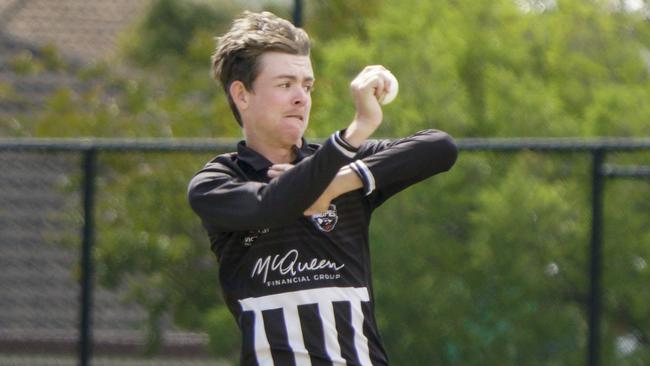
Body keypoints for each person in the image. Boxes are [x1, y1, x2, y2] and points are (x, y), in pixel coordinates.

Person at [188, 10, 458, 366]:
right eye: (285, 85)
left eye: (307, 85)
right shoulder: (217, 181)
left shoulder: (341, 170)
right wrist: (354, 133)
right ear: (242, 94)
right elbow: (272, 205)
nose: (301, 98)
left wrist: (336, 184)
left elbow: (439, 147)